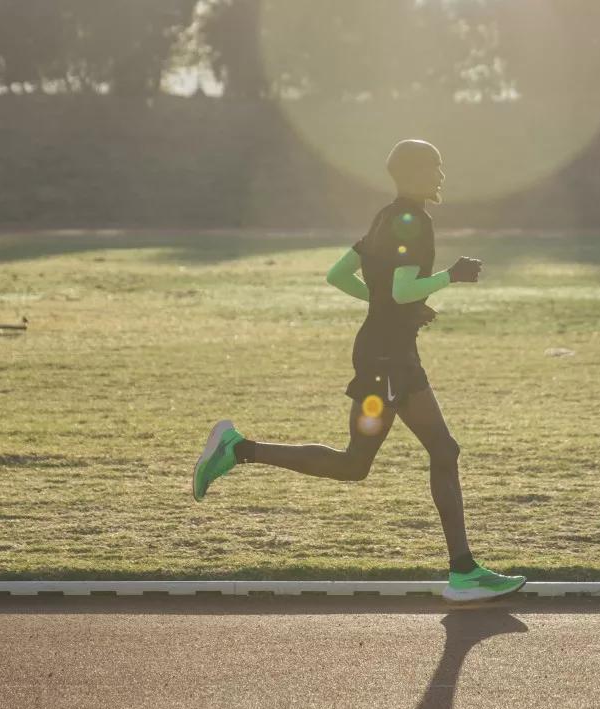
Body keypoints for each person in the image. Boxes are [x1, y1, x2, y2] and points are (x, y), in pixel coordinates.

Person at [192, 139, 526, 602]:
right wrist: (451, 276)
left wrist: (395, 310)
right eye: (435, 167)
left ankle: (239, 449)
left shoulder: (383, 217)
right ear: (412, 174)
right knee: (431, 451)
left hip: (386, 351)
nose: (442, 175)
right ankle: (464, 571)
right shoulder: (414, 221)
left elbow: (340, 274)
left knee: (366, 463)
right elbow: (404, 287)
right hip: (388, 359)